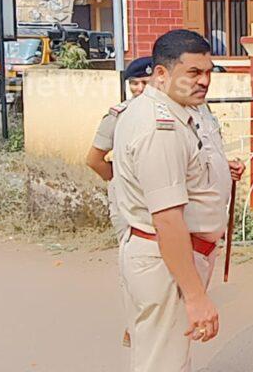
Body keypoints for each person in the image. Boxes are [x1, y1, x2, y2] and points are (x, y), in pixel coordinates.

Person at [113, 30, 244, 372]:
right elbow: (167, 219)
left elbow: (190, 168)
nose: (204, 81)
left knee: (167, 357)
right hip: (167, 259)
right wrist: (197, 297)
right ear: (161, 74)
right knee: (163, 363)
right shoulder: (159, 127)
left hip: (178, 256)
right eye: (193, 72)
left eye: (208, 72)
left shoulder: (183, 109)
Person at [86, 56, 153, 348]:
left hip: (160, 198)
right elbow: (94, 159)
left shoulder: (169, 113)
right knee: (132, 262)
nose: (139, 88)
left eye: (145, 82)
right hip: (127, 204)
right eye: (134, 83)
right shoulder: (118, 116)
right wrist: (121, 180)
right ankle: (133, 324)